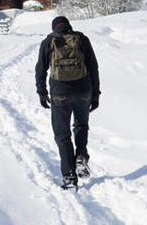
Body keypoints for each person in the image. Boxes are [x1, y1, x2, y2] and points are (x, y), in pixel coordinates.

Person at [35, 15, 100, 189]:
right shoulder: (82, 39)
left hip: (59, 93)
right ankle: (81, 157)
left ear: (54, 28)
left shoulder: (48, 42)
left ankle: (69, 176)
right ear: (69, 26)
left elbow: (40, 69)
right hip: (83, 91)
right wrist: (95, 94)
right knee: (81, 125)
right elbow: (93, 67)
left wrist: (42, 92)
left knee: (62, 135)